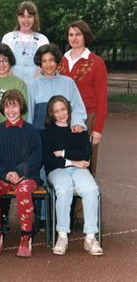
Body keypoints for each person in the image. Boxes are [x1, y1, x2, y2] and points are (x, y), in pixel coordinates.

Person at [58, 20, 108, 231]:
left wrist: (98, 129)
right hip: (64, 118)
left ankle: (81, 214)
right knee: (65, 162)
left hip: (88, 117)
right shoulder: (61, 61)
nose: (74, 38)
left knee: (86, 164)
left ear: (85, 36)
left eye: (78, 34)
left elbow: (102, 98)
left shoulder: (96, 62)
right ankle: (65, 210)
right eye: (70, 34)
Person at [41, 96, 103, 256]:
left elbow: (85, 155)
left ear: (68, 110)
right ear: (51, 114)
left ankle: (90, 237)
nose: (61, 114)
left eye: (63, 109)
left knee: (91, 189)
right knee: (64, 188)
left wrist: (63, 153)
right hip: (58, 170)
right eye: (56, 111)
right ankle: (62, 236)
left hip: (77, 169)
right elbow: (49, 160)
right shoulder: (47, 133)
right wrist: (72, 162)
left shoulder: (79, 129)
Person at [0, 89, 42, 258]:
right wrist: (6, 174)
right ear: (2, 108)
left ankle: (26, 238)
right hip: (2, 176)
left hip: (27, 176)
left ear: (21, 106)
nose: (11, 110)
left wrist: (18, 172)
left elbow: (36, 159)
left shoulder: (32, 131)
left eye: (14, 105)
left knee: (23, 190)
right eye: (7, 106)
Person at [27, 44, 87, 132]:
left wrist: (78, 122)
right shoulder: (32, 84)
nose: (48, 64)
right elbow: (29, 114)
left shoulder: (68, 82)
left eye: (51, 60)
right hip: (41, 133)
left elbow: (78, 107)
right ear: (40, 64)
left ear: (57, 61)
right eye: (44, 61)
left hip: (65, 133)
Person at [1, 1, 49, 86]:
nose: (26, 20)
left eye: (29, 16)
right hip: (12, 85)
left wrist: (33, 84)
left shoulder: (42, 39)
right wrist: (15, 84)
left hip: (36, 85)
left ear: (35, 18)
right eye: (22, 16)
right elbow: (5, 64)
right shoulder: (8, 38)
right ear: (17, 18)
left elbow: (43, 66)